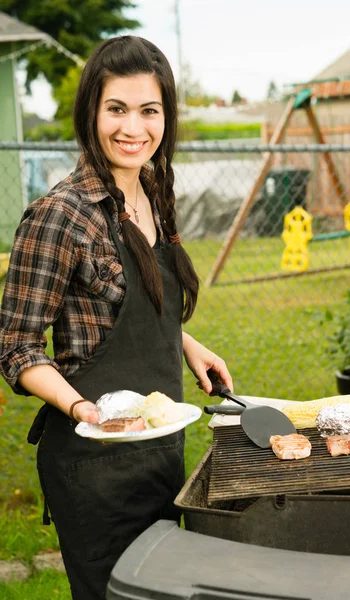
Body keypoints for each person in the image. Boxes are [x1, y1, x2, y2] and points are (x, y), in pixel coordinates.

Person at [0, 36, 232, 600]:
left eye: (149, 110)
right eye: (117, 109)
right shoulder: (59, 216)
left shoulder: (154, 190)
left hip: (159, 452)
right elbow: (15, 344)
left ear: (166, 117)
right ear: (92, 113)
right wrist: (84, 408)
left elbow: (130, 301)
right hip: (94, 465)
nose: (134, 128)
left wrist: (183, 341)